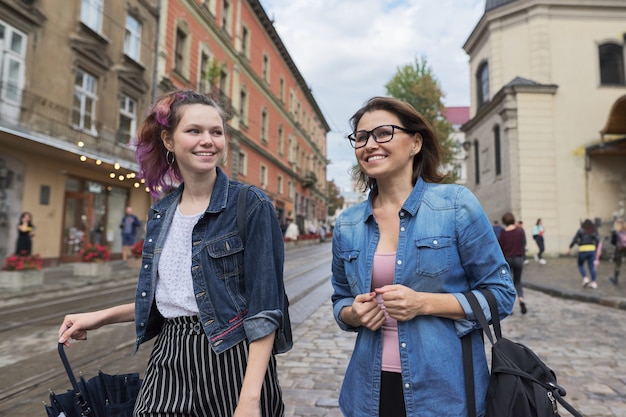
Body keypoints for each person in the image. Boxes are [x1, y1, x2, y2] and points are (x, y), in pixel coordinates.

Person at [58, 90, 291, 416]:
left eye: (216, 132)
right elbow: (174, 299)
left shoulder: (250, 204)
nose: (208, 140)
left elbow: (266, 310)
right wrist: (99, 317)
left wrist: (250, 398)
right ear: (168, 140)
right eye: (194, 130)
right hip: (170, 352)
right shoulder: (162, 212)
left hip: (231, 356)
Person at [330, 96, 516, 417]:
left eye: (383, 132)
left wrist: (423, 304)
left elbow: (501, 296)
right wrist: (353, 314)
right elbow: (340, 299)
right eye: (361, 137)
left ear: (415, 142)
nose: (370, 144)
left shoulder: (455, 204)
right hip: (367, 394)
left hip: (443, 393)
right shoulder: (347, 223)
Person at [500, 213, 527, 314]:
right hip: (518, 259)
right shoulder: (519, 232)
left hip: (507, 259)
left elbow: (500, 248)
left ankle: (509, 306)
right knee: (518, 281)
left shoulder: (503, 234)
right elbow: (523, 244)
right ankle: (521, 299)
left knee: (508, 283)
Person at [568, 219, 600, 289]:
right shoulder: (593, 230)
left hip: (583, 250)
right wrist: (597, 249)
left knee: (580, 264)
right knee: (592, 267)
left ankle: (585, 278)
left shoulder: (581, 230)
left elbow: (575, 239)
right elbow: (598, 240)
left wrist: (570, 247)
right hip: (592, 250)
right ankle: (594, 282)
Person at [609, 218, 626, 284]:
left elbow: (613, 242)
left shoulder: (615, 232)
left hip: (619, 249)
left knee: (618, 264)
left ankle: (615, 279)